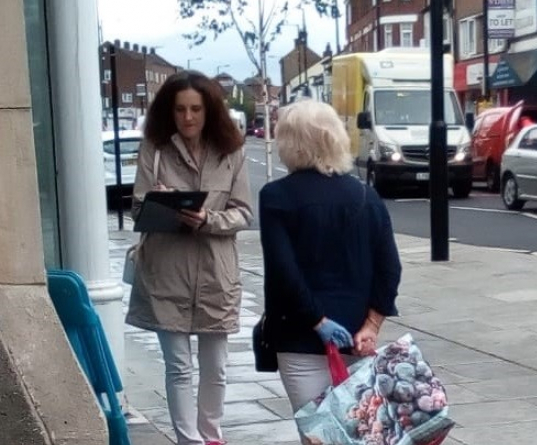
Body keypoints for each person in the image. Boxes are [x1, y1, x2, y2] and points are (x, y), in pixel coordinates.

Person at [127, 71, 252, 445]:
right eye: (180, 109)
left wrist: (209, 219)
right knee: (179, 367)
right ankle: (189, 441)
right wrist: (159, 201)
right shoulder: (156, 148)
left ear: (209, 110)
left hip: (216, 273)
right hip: (166, 272)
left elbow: (243, 212)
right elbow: (136, 209)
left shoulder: (232, 152)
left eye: (196, 109)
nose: (188, 117)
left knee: (216, 367)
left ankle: (211, 436)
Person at [258, 100, 402, 415]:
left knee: (317, 434)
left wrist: (318, 320)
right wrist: (372, 325)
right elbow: (389, 267)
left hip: (300, 339)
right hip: (356, 337)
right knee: (359, 430)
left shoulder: (276, 197)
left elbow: (285, 272)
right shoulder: (365, 195)